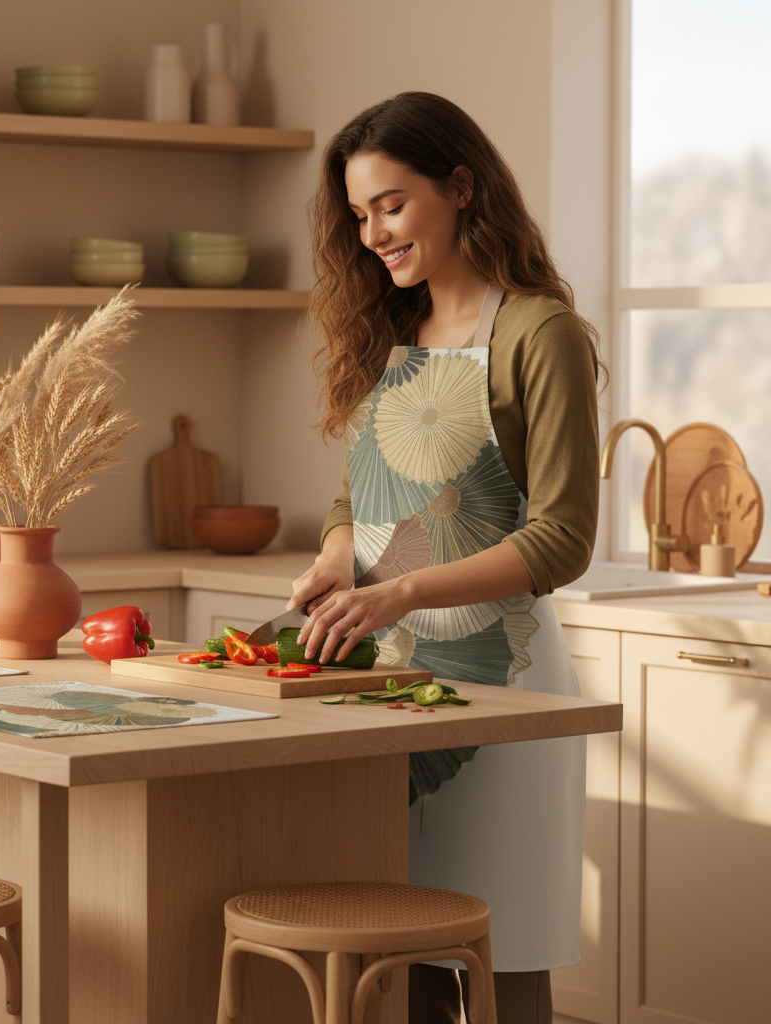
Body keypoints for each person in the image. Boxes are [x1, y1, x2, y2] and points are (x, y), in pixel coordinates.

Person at [289, 92, 602, 1024]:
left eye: (391, 204)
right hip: (393, 683)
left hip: (505, 692)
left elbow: (562, 536)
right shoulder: (396, 332)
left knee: (502, 969)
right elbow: (357, 504)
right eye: (358, 215)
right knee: (401, 958)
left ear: (461, 187)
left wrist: (402, 592)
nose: (374, 234)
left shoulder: (539, 333)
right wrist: (340, 561)